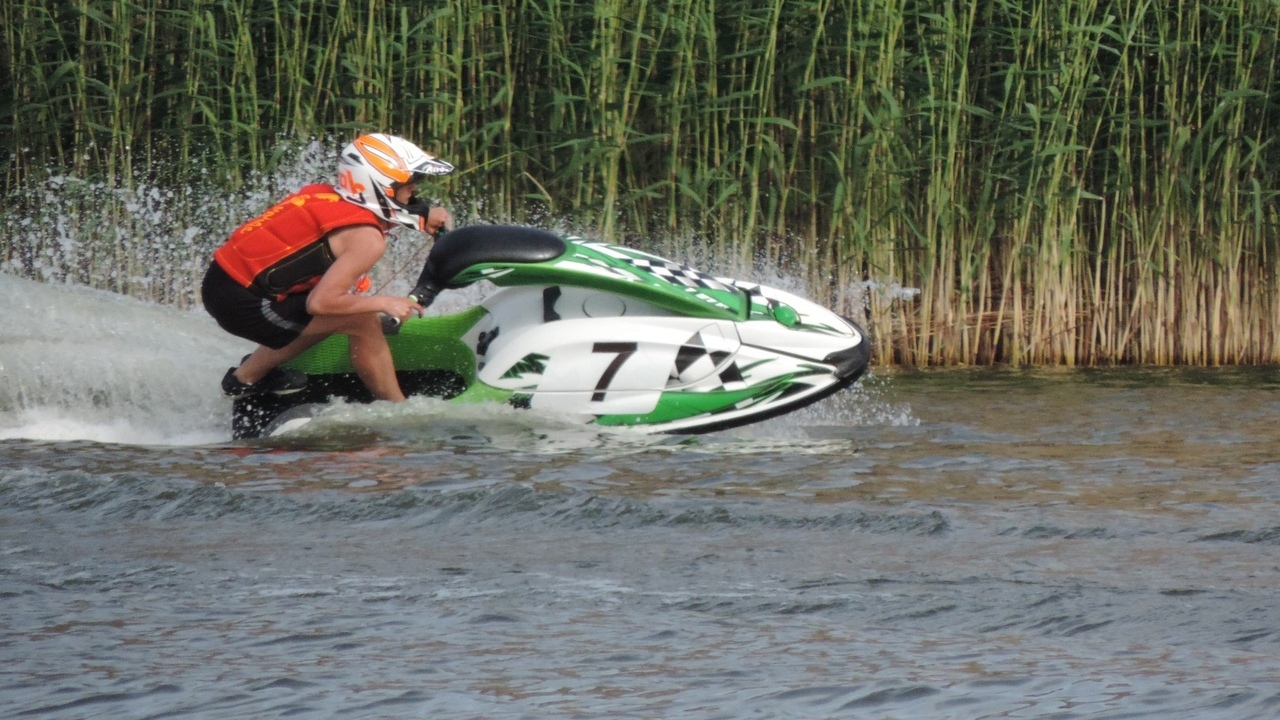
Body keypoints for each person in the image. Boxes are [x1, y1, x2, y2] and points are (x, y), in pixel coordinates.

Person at [201, 133, 453, 402]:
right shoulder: (367, 240)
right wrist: (386, 303)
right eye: (409, 184)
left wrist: (421, 215)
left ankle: (243, 379)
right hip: (242, 307)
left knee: (350, 308)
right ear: (380, 187)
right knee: (362, 321)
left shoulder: (327, 194)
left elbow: (369, 214)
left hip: (222, 283)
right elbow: (320, 304)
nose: (414, 190)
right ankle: (398, 408)